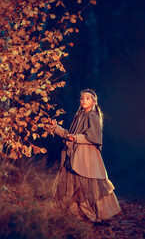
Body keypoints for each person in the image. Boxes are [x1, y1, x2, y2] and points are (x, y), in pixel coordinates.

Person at [48, 89, 121, 222]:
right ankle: (79, 216)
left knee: (86, 188)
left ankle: (94, 216)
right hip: (76, 156)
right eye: (82, 98)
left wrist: (75, 138)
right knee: (75, 189)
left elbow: (92, 137)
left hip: (86, 158)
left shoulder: (92, 116)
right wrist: (55, 127)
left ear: (93, 102)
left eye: (87, 98)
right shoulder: (79, 116)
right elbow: (70, 134)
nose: (83, 100)